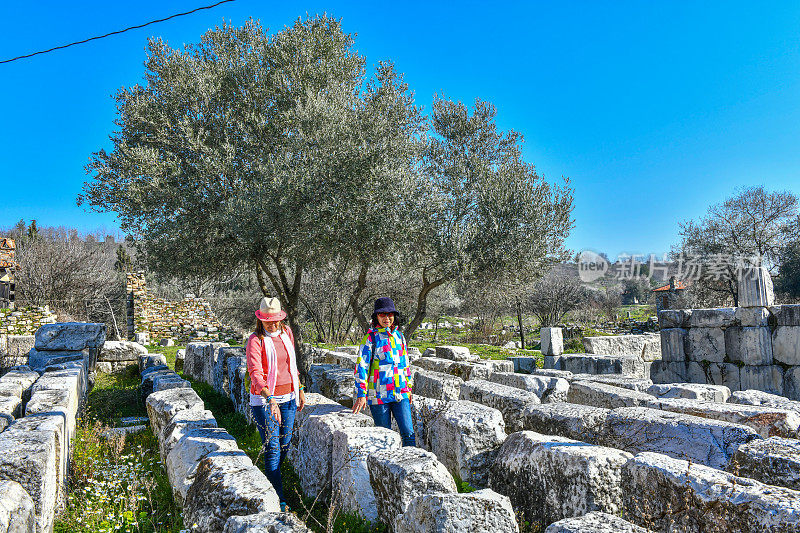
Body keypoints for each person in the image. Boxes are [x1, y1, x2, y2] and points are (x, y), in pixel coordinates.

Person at [246, 296, 305, 512]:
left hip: (289, 398)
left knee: (285, 445)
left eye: (275, 319)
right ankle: (278, 499)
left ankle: (269, 481)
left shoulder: (286, 333)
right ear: (260, 320)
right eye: (268, 320)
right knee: (272, 448)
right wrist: (270, 399)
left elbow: (292, 364)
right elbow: (255, 374)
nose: (272, 324)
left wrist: (299, 389)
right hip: (264, 401)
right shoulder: (255, 340)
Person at [352, 296, 415, 446]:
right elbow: (361, 366)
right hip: (378, 396)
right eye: (382, 314)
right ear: (376, 317)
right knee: (384, 438)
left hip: (401, 393)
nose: (387, 318)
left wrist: (409, 387)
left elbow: (405, 364)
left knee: (409, 434)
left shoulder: (400, 337)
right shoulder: (370, 339)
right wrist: (361, 394)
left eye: (390, 314)